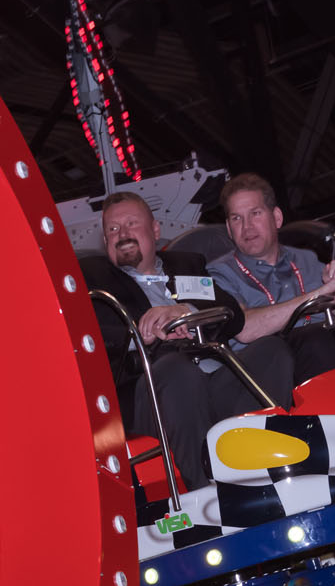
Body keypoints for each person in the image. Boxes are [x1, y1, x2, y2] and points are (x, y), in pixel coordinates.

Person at [80, 192, 294, 490]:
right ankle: (206, 489)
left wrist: (187, 311)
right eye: (113, 229)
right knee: (176, 371)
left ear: (155, 230)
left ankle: (264, 465)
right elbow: (91, 335)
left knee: (271, 351)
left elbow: (233, 315)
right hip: (153, 388)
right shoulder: (93, 278)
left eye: (131, 224)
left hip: (212, 374)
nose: (123, 235)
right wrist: (142, 332)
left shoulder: (187, 264)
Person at [206, 172, 335, 381]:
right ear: (229, 230)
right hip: (273, 371)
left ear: (276, 218)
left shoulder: (307, 259)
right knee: (314, 338)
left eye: (255, 213)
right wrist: (319, 294)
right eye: (236, 218)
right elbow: (244, 329)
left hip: (331, 352)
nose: (247, 226)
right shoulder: (219, 273)